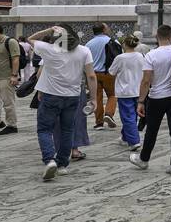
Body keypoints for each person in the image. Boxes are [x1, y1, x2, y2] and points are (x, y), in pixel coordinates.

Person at [27, 25, 100, 182]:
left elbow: (30, 39)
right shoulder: (83, 51)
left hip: (50, 95)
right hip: (73, 96)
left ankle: (49, 160)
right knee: (68, 130)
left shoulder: (49, 49)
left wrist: (47, 30)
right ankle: (62, 164)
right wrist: (93, 99)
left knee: (45, 130)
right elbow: (91, 76)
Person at [132, 24, 171, 175]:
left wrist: (141, 101)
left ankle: (144, 160)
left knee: (152, 129)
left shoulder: (151, 55)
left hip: (156, 96)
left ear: (157, 37)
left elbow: (146, 81)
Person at [109, 35, 146, 151]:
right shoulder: (140, 56)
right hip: (138, 90)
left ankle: (134, 141)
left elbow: (111, 72)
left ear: (124, 44)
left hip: (125, 91)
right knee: (133, 116)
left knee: (128, 117)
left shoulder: (120, 58)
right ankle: (125, 137)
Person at [85, 22, 118, 128]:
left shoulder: (89, 44)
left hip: (93, 74)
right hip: (109, 73)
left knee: (96, 97)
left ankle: (99, 122)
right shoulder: (112, 41)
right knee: (112, 95)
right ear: (104, 29)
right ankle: (108, 114)